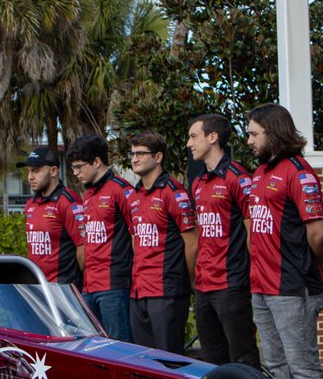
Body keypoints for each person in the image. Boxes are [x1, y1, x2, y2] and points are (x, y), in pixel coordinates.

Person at [245, 104, 323, 379]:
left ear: (273, 132)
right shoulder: (259, 173)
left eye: (254, 134)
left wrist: (314, 266)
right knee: (277, 369)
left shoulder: (298, 172)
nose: (249, 141)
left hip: (292, 288)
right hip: (261, 287)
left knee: (303, 368)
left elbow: (318, 233)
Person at [186, 113, 259, 367]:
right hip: (203, 286)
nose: (189, 143)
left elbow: (253, 232)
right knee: (212, 360)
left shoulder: (238, 177)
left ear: (213, 137)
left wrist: (252, 276)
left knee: (242, 358)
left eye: (194, 136)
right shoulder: (197, 183)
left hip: (231, 284)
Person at [126, 131, 197, 354]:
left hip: (167, 291)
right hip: (138, 292)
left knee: (169, 360)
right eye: (132, 154)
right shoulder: (133, 196)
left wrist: (191, 281)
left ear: (158, 157)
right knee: (144, 362)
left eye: (140, 153)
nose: (134, 159)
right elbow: (135, 240)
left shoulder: (173, 192)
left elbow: (192, 243)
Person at [66, 133, 135, 341]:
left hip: (114, 285)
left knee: (119, 346)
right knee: (91, 346)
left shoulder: (121, 189)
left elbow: (136, 235)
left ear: (96, 162)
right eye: (73, 168)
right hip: (89, 284)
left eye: (79, 167)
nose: (75, 173)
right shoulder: (88, 194)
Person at [17, 145, 83, 290]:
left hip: (63, 288)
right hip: (37, 286)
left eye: (36, 171)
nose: (30, 177)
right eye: (29, 171)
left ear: (53, 171)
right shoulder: (30, 204)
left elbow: (83, 246)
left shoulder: (68, 201)